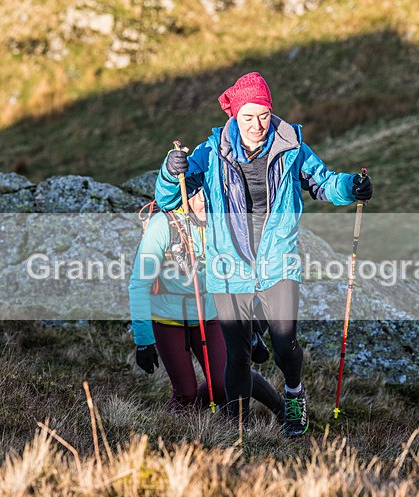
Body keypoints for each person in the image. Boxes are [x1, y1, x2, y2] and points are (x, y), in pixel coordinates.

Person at [154, 72, 373, 436]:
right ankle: (235, 429)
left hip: (278, 260)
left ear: (271, 113)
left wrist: (352, 186)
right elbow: (168, 197)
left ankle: (294, 393)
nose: (257, 125)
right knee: (236, 355)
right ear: (234, 117)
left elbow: (323, 182)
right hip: (228, 266)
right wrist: (169, 171)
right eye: (248, 117)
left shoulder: (291, 148)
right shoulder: (211, 153)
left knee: (285, 344)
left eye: (263, 116)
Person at [128, 189, 282, 416]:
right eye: (202, 198)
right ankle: (171, 428)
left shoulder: (220, 223)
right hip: (167, 319)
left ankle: (189, 417)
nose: (207, 206)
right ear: (187, 193)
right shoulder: (162, 225)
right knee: (186, 393)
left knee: (222, 384)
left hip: (210, 315)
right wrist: (143, 340)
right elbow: (139, 284)